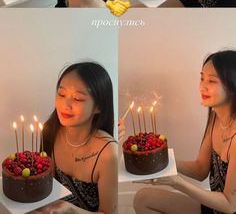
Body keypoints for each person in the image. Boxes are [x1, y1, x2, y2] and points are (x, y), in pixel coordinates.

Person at [133, 50, 236, 214]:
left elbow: (230, 206)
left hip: (224, 207)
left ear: (232, 86)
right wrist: (160, 158)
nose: (202, 86)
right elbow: (200, 169)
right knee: (142, 199)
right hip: (215, 208)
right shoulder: (215, 117)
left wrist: (176, 182)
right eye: (202, 78)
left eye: (212, 81)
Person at [41, 62, 117, 214]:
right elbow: (48, 188)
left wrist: (70, 210)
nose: (65, 104)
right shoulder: (50, 131)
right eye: (61, 94)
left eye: (77, 98)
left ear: (99, 106)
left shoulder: (108, 153)